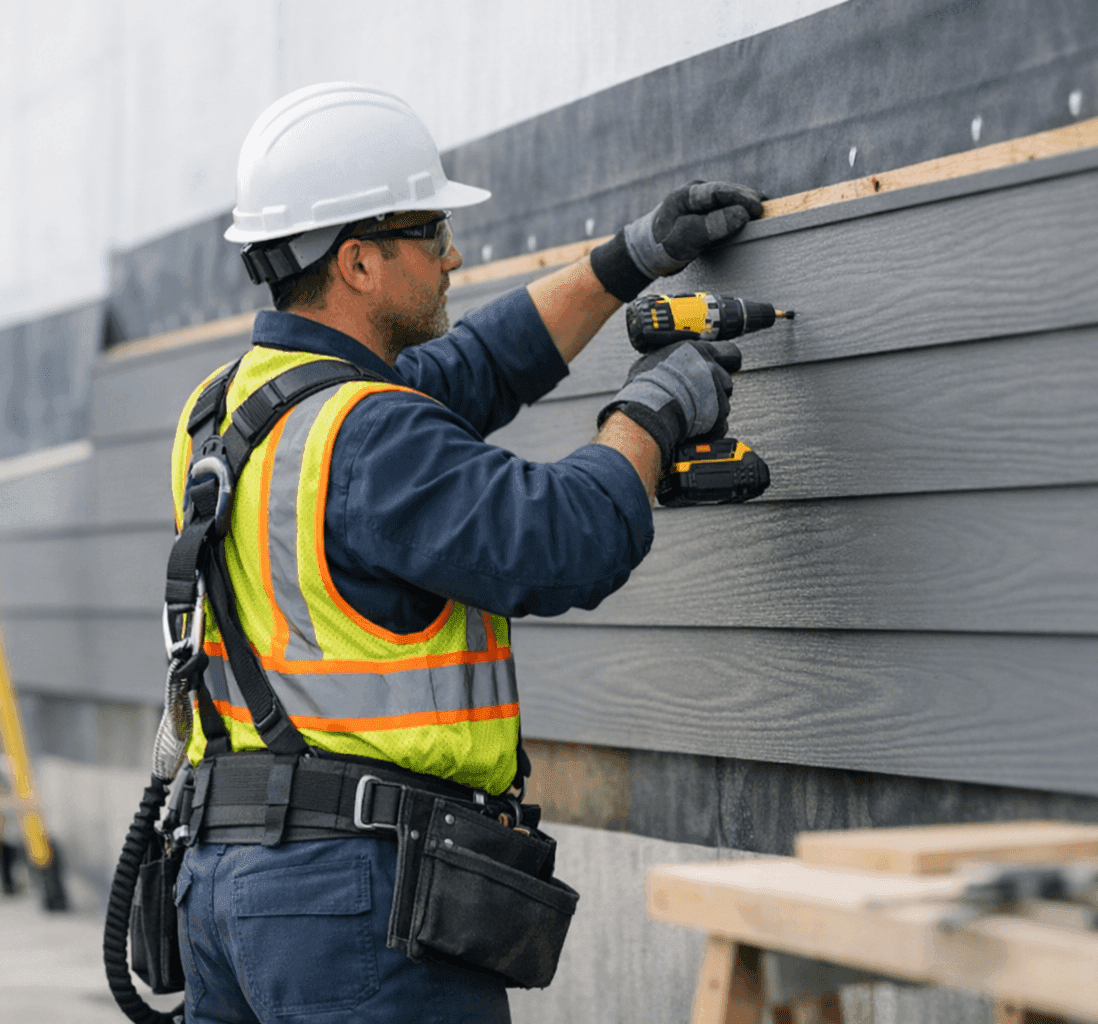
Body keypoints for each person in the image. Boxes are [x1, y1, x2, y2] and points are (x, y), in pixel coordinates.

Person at [168, 82, 762, 1024]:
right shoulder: (368, 437)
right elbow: (559, 541)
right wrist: (651, 413)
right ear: (359, 260)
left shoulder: (235, 408)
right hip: (356, 903)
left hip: (227, 885)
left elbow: (475, 368)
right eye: (430, 232)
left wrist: (626, 262)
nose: (453, 255)